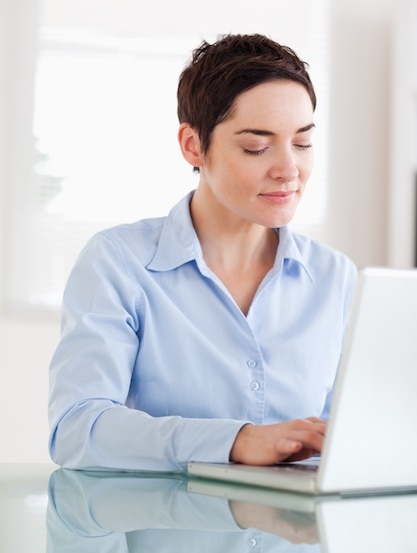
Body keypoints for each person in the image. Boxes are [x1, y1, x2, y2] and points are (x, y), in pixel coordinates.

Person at [48, 33, 357, 471]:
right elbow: (76, 431)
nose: (289, 170)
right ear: (194, 145)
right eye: (256, 146)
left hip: (296, 535)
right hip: (170, 532)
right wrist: (235, 441)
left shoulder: (334, 276)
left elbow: (350, 436)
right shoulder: (119, 262)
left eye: (303, 143)